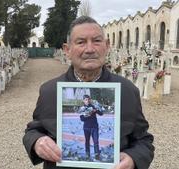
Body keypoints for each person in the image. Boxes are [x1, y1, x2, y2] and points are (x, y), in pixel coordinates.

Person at [23, 16, 154, 169]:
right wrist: (37, 142)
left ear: (107, 46)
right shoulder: (49, 91)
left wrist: (133, 159)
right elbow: (33, 130)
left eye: (97, 41)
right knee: (86, 143)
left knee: (96, 142)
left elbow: (143, 140)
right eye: (81, 42)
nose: (90, 49)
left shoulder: (127, 90)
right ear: (67, 50)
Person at [78, 94, 104, 161]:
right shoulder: (82, 109)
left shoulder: (94, 106)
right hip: (86, 128)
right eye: (86, 99)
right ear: (83, 101)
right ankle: (87, 155)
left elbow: (101, 114)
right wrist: (88, 114)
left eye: (89, 99)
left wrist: (96, 110)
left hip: (94, 127)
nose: (88, 101)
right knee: (87, 141)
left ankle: (97, 155)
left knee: (96, 142)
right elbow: (82, 119)